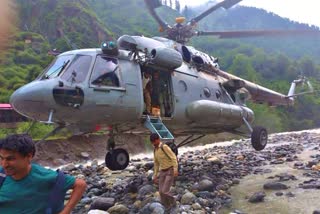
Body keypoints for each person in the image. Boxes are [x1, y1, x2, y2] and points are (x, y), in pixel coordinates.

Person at [0, 134, 87, 214]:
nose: (4, 164)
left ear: (29, 156)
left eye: (10, 159)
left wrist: (65, 212)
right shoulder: (1, 175)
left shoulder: (45, 176)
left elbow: (80, 185)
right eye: (1, 158)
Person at [150, 133, 178, 211]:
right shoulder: (155, 150)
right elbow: (156, 163)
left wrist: (175, 169)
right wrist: (155, 175)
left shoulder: (164, 147)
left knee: (165, 191)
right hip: (162, 171)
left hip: (170, 170)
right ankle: (167, 206)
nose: (153, 143)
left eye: (154, 141)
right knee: (161, 192)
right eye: (152, 142)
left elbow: (173, 157)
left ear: (158, 140)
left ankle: (173, 201)